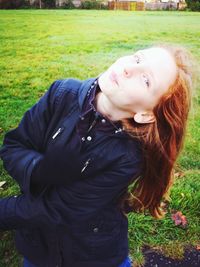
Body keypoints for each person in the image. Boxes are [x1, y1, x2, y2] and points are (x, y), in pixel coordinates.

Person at [0, 44, 193, 267]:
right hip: (38, 249)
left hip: (94, 254)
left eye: (146, 80)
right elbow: (14, 145)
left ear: (146, 114)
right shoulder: (61, 93)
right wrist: (39, 170)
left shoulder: (128, 156)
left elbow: (57, 208)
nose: (129, 68)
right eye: (138, 58)